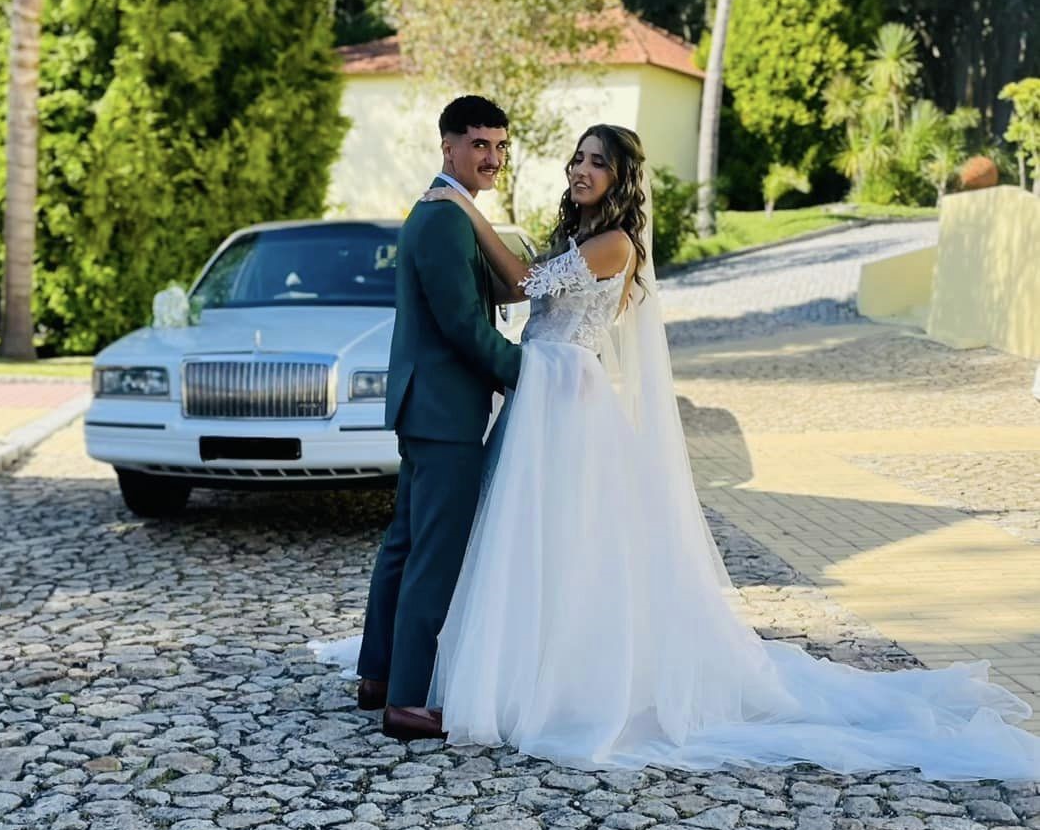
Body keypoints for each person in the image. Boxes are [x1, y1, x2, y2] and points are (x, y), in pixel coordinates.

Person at [415, 122, 1040, 780]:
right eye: (577, 158)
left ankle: (556, 681)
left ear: (620, 178)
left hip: (567, 399)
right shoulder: (581, 238)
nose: (581, 169)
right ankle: (526, 667)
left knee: (566, 537)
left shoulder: (614, 243)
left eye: (597, 162)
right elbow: (519, 287)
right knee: (534, 538)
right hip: (542, 392)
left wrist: (463, 205)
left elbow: (523, 280)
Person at [352, 95, 522, 742]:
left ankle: (377, 676)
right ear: (447, 146)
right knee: (434, 554)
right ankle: (409, 701)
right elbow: (463, 327)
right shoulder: (445, 219)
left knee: (403, 545)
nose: (492, 157)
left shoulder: (441, 210)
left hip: (425, 405)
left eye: (500, 146)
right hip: (445, 409)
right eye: (479, 144)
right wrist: (529, 371)